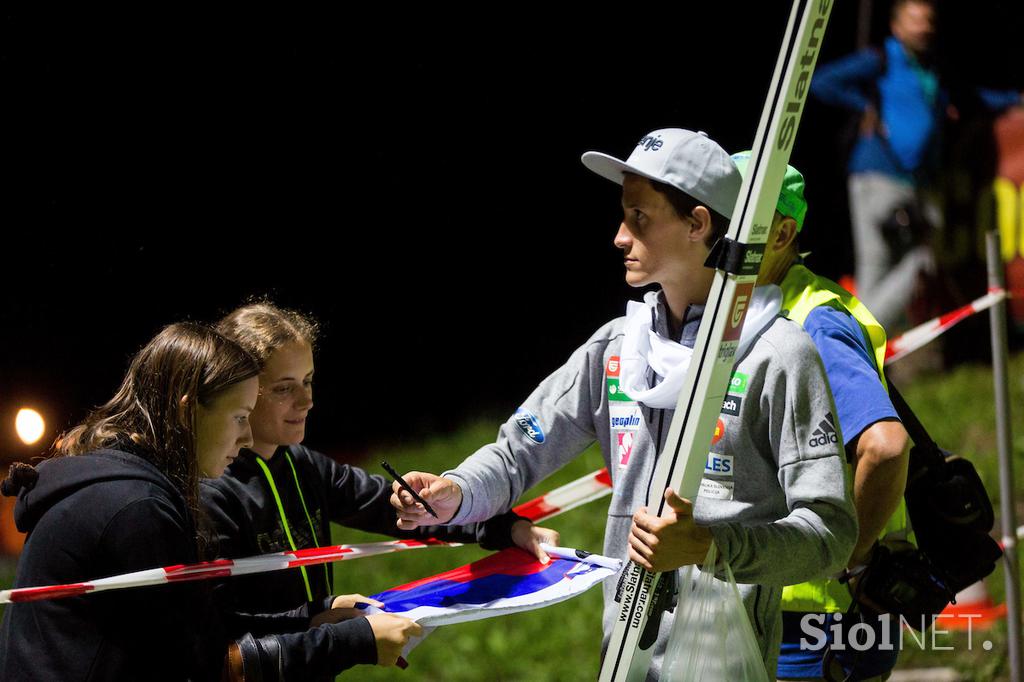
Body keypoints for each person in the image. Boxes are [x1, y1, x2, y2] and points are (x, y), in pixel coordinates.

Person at [390, 128, 858, 678]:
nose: (618, 236)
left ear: (697, 224)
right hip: (624, 659)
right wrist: (457, 493)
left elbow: (831, 536)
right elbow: (518, 452)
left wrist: (711, 545)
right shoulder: (619, 346)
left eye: (640, 217)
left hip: (727, 662)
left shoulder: (777, 354)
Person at [0, 323, 420, 681]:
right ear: (188, 412)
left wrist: (316, 615)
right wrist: (355, 642)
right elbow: (207, 667)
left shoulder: (127, 484)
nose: (248, 438)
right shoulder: (136, 508)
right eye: (239, 417)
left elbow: (201, 630)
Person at [202, 302, 558, 617]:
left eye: (308, 381)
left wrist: (505, 527)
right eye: (284, 388)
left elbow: (392, 507)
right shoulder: (212, 490)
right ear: (241, 391)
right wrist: (324, 622)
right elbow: (224, 635)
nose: (306, 400)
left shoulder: (303, 465)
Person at [732, 151, 911, 681]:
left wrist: (844, 558)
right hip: (783, 609)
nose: (718, 238)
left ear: (782, 233)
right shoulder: (759, 309)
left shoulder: (815, 321)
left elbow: (885, 445)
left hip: (815, 625)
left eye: (736, 222)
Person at [810, 0, 1022, 330]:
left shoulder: (933, 68)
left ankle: (862, 339)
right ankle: (856, 335)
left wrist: (1014, 100)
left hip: (919, 183)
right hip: (877, 176)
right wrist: (866, 106)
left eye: (928, 20)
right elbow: (821, 81)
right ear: (896, 27)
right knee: (881, 265)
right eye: (915, 21)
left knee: (919, 259)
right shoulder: (880, 58)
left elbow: (970, 97)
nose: (924, 27)